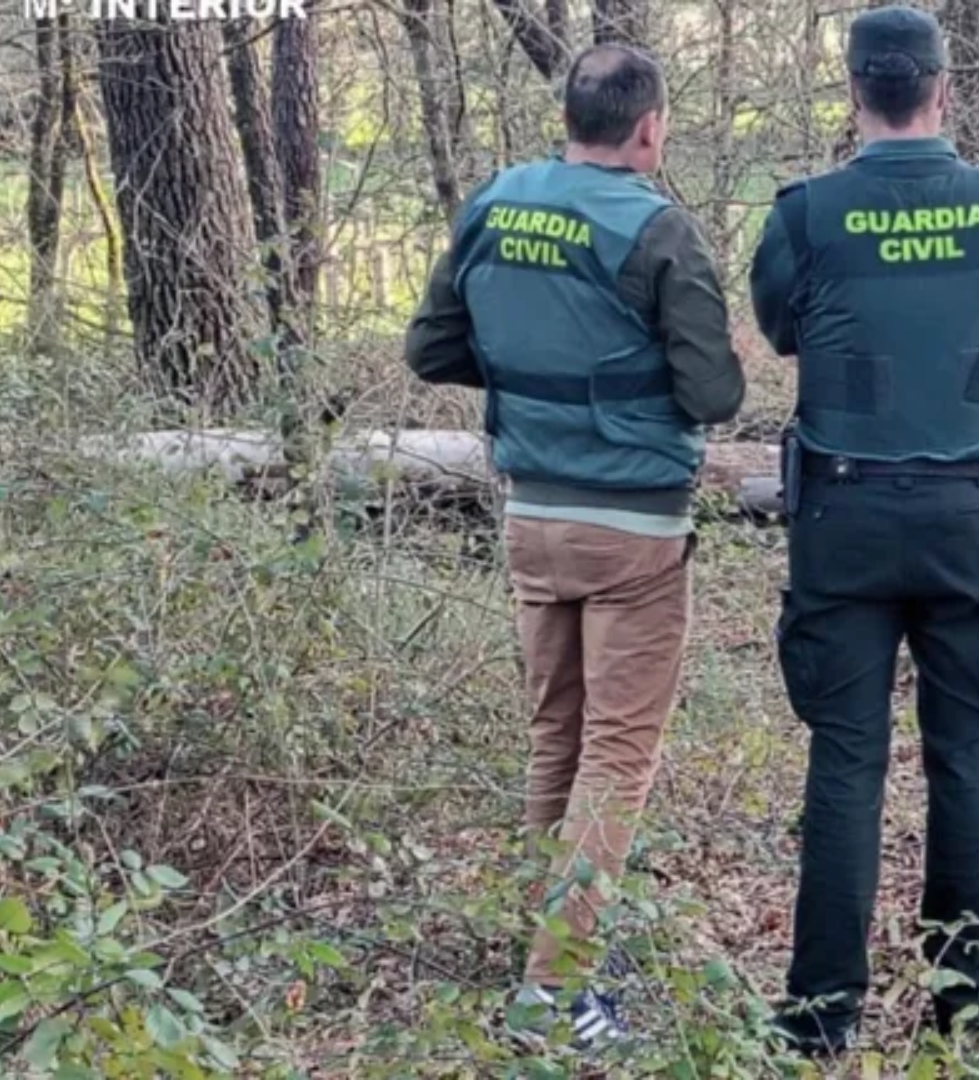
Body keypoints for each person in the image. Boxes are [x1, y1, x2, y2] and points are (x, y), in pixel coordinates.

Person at [403, 43, 745, 1052]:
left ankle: (544, 951)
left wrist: (532, 375)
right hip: (632, 528)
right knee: (617, 757)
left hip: (530, 519)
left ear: (570, 119)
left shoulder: (494, 204)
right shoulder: (659, 229)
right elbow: (713, 395)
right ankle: (554, 993)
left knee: (556, 736)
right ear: (649, 128)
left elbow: (431, 348)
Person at [748, 4, 979, 1055]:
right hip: (974, 520)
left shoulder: (807, 214)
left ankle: (819, 1020)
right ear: (942, 89)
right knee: (968, 758)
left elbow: (779, 328)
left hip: (846, 521)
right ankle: (968, 1014)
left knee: (845, 761)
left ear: (854, 94)